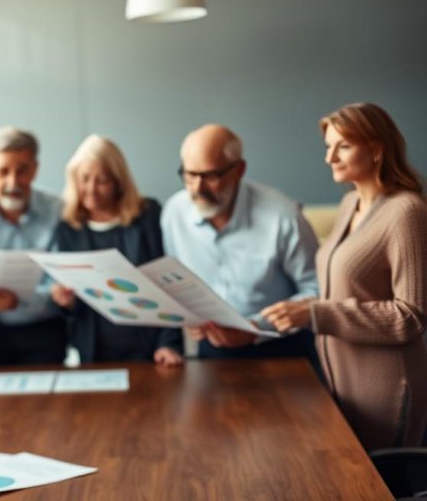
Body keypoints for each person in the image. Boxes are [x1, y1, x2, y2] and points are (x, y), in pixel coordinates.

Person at [262, 103, 426, 449]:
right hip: (342, 384)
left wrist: (314, 314)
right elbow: (344, 292)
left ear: (377, 149)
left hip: (386, 390)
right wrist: (300, 310)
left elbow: (411, 316)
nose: (330, 158)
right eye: (328, 147)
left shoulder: (406, 212)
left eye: (343, 146)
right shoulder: (350, 204)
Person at [161, 124, 320, 361]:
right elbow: (175, 281)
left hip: (282, 350)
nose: (197, 188)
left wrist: (256, 326)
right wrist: (188, 318)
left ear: (239, 170)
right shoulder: (174, 213)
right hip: (211, 351)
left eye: (210, 175)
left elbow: (317, 290)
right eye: (190, 175)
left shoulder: (283, 217)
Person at [49, 135, 183, 366]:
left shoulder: (147, 216)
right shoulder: (68, 228)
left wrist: (168, 343)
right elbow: (74, 307)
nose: (91, 189)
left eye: (102, 181)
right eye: (84, 179)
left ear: (119, 182)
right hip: (93, 350)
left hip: (149, 346)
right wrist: (66, 301)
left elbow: (167, 283)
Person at [0, 126, 65, 365]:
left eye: (22, 170)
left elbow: (61, 276)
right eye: (3, 171)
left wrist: (17, 302)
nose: (13, 181)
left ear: (35, 169)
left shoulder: (58, 210)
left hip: (46, 331)